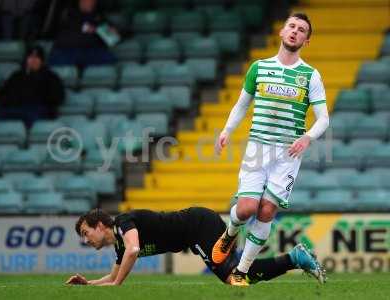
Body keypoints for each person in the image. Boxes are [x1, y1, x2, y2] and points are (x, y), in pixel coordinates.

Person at [211, 13, 329, 286]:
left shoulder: (310, 75)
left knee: (266, 212)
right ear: (282, 31)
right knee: (246, 209)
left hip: (287, 155)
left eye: (301, 30)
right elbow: (242, 104)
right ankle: (230, 233)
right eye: (291, 26)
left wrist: (308, 138)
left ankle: (241, 271)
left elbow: (323, 117)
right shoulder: (259, 67)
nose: (295, 32)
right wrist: (227, 129)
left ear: (306, 40)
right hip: (258, 148)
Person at [66, 207, 326, 286]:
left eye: (86, 233)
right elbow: (113, 276)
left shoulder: (123, 224)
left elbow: (133, 251)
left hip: (198, 225)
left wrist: (116, 284)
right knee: (237, 276)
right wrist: (89, 285)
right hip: (196, 229)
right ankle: (295, 258)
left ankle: (295, 258)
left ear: (100, 225)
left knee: (232, 278)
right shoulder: (120, 246)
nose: (86, 240)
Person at [0, 45, 65, 127]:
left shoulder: (51, 77)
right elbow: (4, 94)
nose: (33, 60)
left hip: (39, 110)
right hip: (15, 109)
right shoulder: (16, 76)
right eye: (30, 57)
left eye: (36, 57)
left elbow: (58, 96)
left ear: (42, 60)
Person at [48, 0, 117, 69]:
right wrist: (89, 29)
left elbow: (112, 36)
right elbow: (65, 34)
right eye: (87, 1)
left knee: (109, 58)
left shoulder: (99, 16)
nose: (91, 3)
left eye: (93, 1)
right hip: (68, 51)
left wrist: (112, 32)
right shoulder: (68, 14)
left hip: (92, 51)